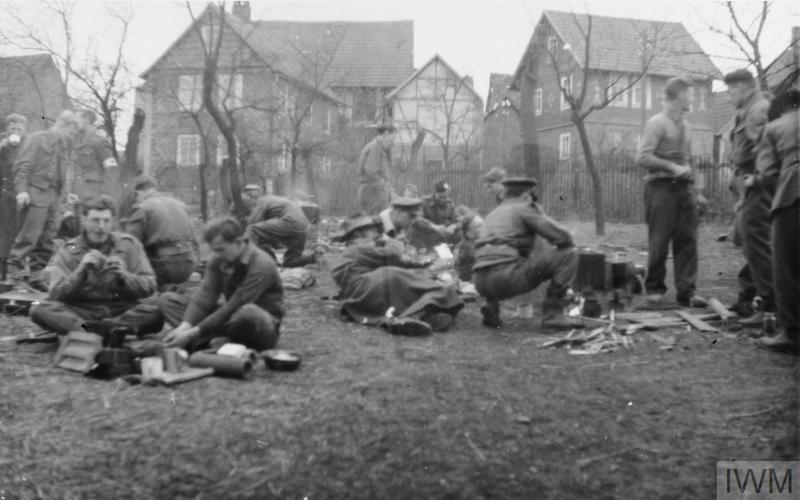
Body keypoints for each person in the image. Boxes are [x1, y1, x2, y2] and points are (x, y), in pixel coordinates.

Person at [29, 195, 160, 336]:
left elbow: (150, 286)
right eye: (95, 220)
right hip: (80, 311)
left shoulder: (129, 245)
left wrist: (124, 276)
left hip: (120, 311)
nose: (101, 227)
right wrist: (80, 271)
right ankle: (91, 330)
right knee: (38, 308)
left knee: (156, 313)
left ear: (113, 222)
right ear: (84, 220)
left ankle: (105, 329)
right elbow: (55, 294)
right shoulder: (69, 250)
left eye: (106, 221)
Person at [157, 217, 284, 352]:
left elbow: (234, 305)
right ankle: (216, 341)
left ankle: (206, 340)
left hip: (259, 326)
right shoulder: (219, 259)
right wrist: (184, 327)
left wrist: (191, 333)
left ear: (238, 242)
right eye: (213, 250)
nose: (215, 255)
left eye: (220, 249)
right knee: (168, 301)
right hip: (230, 319)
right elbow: (205, 296)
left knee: (248, 312)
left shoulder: (261, 264)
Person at [636, 77, 708, 308]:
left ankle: (687, 291)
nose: (692, 99)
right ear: (675, 98)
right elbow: (642, 157)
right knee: (659, 240)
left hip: (684, 189)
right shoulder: (656, 123)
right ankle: (655, 289)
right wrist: (672, 167)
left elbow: (690, 160)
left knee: (687, 240)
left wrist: (698, 191)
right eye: (688, 95)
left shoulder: (686, 126)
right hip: (660, 188)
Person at [472, 177, 582, 330]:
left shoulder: (493, 214)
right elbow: (562, 237)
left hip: (479, 281)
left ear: (506, 194)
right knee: (569, 254)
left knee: (498, 258)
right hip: (505, 278)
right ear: (527, 194)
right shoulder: (524, 207)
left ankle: (491, 309)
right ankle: (553, 315)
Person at [331, 213, 464, 337]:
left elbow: (389, 259)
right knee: (402, 278)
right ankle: (421, 311)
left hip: (361, 294)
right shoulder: (360, 246)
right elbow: (394, 254)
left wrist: (417, 265)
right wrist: (389, 240)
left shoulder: (356, 248)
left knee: (405, 278)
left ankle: (424, 315)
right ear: (360, 232)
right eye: (371, 229)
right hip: (366, 287)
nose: (376, 233)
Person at [723, 69, 774, 324]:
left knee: (757, 244)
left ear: (743, 88)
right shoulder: (747, 111)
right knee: (748, 241)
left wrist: (756, 178)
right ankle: (750, 296)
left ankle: (769, 307)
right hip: (748, 186)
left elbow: (767, 150)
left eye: (731, 91)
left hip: (758, 186)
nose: (729, 97)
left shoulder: (758, 111)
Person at [8, 110, 79, 290]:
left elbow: (63, 174)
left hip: (54, 196)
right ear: (61, 125)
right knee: (28, 235)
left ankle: (36, 276)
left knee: (48, 238)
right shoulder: (37, 139)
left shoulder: (65, 147)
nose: (70, 137)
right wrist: (22, 191)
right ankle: (14, 275)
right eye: (69, 132)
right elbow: (22, 166)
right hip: (35, 192)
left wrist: (65, 195)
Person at [754, 88, 799, 352]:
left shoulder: (774, 128)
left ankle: (791, 333)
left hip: (792, 197)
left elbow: (767, 174)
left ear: (780, 109)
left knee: (787, 269)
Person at [122, 175, 199, 289]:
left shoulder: (142, 208)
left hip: (163, 266)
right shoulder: (181, 205)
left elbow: (130, 244)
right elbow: (194, 240)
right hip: (189, 263)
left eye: (136, 195)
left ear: (139, 192)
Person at [244, 194, 319, 267]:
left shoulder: (261, 201)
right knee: (291, 260)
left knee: (252, 229)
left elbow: (252, 222)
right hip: (303, 226)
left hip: (291, 221)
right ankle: (314, 257)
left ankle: (245, 261)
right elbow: (269, 232)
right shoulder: (279, 202)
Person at [0, 113, 27, 280]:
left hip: (19, 194)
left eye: (19, 128)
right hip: (2, 194)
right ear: (6, 129)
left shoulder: (29, 143)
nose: (15, 131)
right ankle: (2, 269)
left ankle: (17, 268)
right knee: (2, 231)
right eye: (12, 128)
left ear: (24, 130)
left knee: (19, 231)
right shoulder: (2, 142)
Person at [70, 109, 117, 199]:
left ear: (86, 119)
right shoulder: (77, 143)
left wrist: (105, 195)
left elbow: (111, 169)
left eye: (77, 121)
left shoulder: (99, 142)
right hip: (79, 194)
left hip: (95, 195)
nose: (75, 124)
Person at [357, 124, 395, 215]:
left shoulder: (371, 146)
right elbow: (371, 171)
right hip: (374, 192)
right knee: (380, 221)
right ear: (385, 134)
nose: (392, 142)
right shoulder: (375, 148)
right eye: (392, 138)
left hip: (369, 190)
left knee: (370, 223)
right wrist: (383, 185)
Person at [454, 211, 483, 282]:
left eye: (483, 223)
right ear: (470, 234)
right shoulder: (469, 250)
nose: (484, 227)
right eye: (479, 226)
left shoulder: (481, 244)